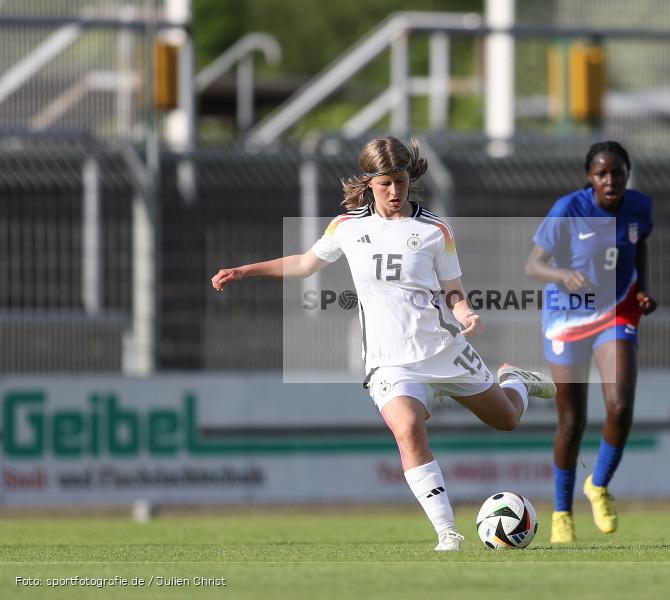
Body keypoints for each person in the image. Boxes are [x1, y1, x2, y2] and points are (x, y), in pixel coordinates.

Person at [211, 136, 556, 551]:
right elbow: (305, 264)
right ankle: (448, 532)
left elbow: (454, 290)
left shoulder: (433, 230)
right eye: (385, 184)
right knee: (408, 428)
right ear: (369, 183)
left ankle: (514, 379)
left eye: (401, 182)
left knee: (507, 419)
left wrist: (465, 314)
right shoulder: (347, 227)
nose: (395, 192)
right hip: (390, 362)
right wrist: (245, 270)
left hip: (444, 350)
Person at [525, 141, 657, 544]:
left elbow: (638, 246)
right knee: (572, 421)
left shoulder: (639, 207)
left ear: (627, 173)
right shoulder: (569, 209)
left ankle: (597, 486)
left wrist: (642, 291)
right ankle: (562, 513)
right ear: (590, 177)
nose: (610, 180)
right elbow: (533, 265)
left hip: (616, 312)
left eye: (617, 172)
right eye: (602, 173)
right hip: (568, 317)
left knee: (620, 405)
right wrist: (563, 274)